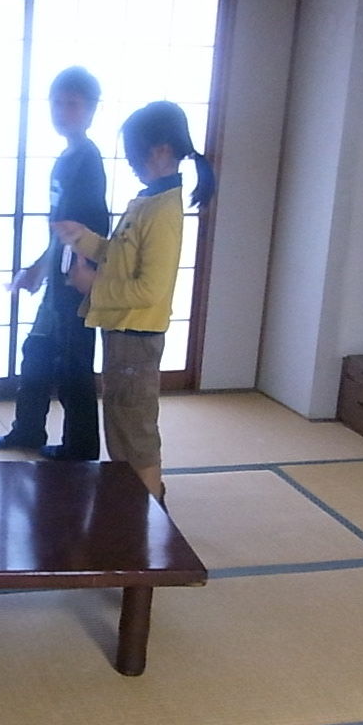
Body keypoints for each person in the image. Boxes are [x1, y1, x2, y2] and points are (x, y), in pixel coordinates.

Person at [54, 100, 216, 503]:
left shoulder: (163, 211)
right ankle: (134, 510)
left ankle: (149, 516)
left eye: (132, 154)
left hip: (137, 337)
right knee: (122, 425)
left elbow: (150, 289)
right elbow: (118, 256)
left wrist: (93, 285)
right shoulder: (148, 201)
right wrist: (83, 239)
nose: (128, 162)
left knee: (135, 432)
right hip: (122, 332)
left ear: (160, 151)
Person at [0, 66, 109, 460]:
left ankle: (80, 446)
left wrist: (83, 273)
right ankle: (28, 430)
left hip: (76, 280)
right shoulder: (66, 159)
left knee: (74, 366)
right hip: (58, 277)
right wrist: (38, 270)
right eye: (57, 103)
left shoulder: (88, 160)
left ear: (91, 110)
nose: (62, 112)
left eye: (72, 104)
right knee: (37, 351)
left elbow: (90, 226)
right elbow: (59, 230)